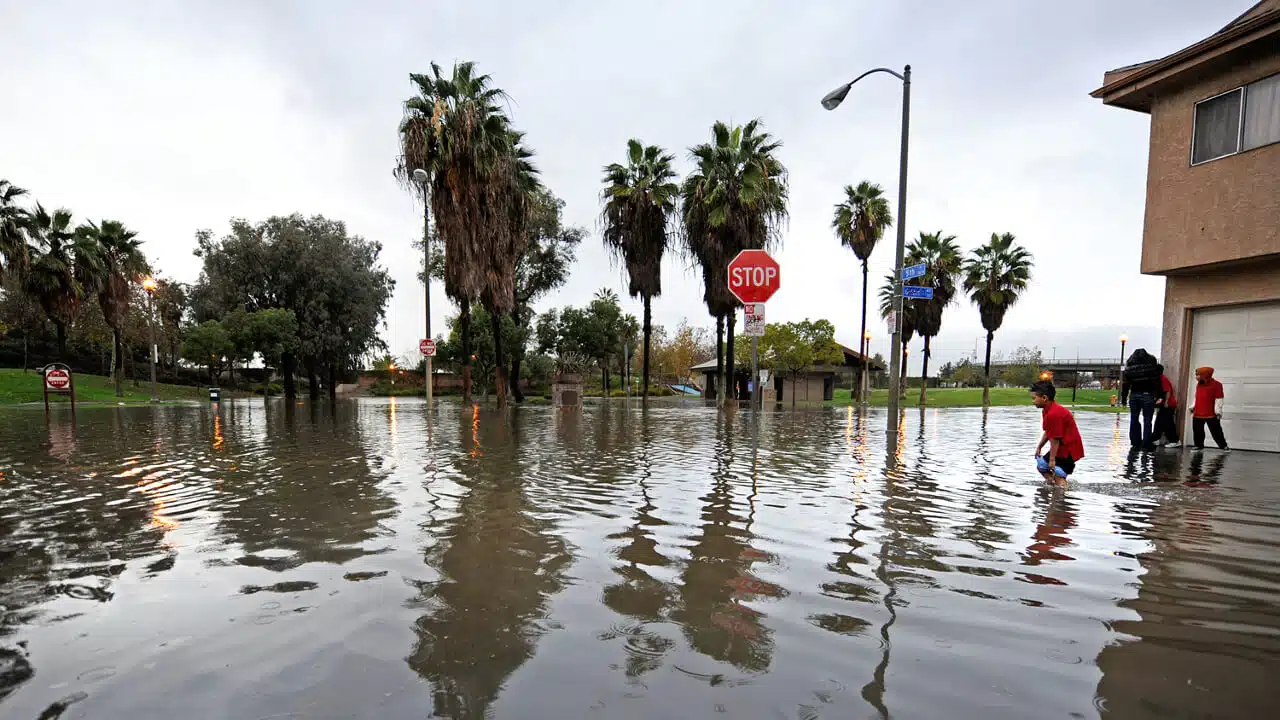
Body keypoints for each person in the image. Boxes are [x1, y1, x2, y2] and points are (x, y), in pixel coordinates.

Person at [1031, 380, 1085, 484]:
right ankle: (1053, 486)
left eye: (1034, 398)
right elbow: (1048, 431)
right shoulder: (1047, 410)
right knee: (1042, 466)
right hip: (1060, 447)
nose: (1033, 401)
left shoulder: (1054, 414)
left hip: (1068, 449)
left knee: (1058, 474)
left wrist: (1052, 460)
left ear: (1044, 398)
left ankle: (1061, 494)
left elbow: (1055, 439)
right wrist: (1039, 446)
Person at [1120, 348, 1164, 449]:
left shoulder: (1129, 369)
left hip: (1134, 395)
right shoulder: (1150, 368)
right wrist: (1159, 395)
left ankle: (1135, 441)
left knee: (1134, 418)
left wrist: (1123, 398)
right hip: (1147, 395)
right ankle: (1146, 442)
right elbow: (1156, 382)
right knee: (1147, 420)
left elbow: (1125, 385)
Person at [1189, 366, 1229, 451]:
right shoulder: (1199, 384)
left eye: (1198, 375)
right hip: (1198, 413)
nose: (1196, 377)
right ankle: (1198, 446)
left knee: (1216, 432)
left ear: (1204, 375)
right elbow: (1197, 397)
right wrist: (1193, 407)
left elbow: (1219, 399)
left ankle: (1223, 446)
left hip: (1211, 414)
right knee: (1197, 431)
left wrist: (1218, 412)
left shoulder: (1217, 385)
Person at [1154, 371, 1179, 447]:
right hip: (1165, 404)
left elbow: (1167, 391)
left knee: (1168, 423)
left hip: (1168, 404)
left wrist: (1166, 402)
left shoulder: (1163, 379)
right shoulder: (1159, 379)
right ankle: (1156, 439)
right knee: (1159, 422)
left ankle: (1174, 440)